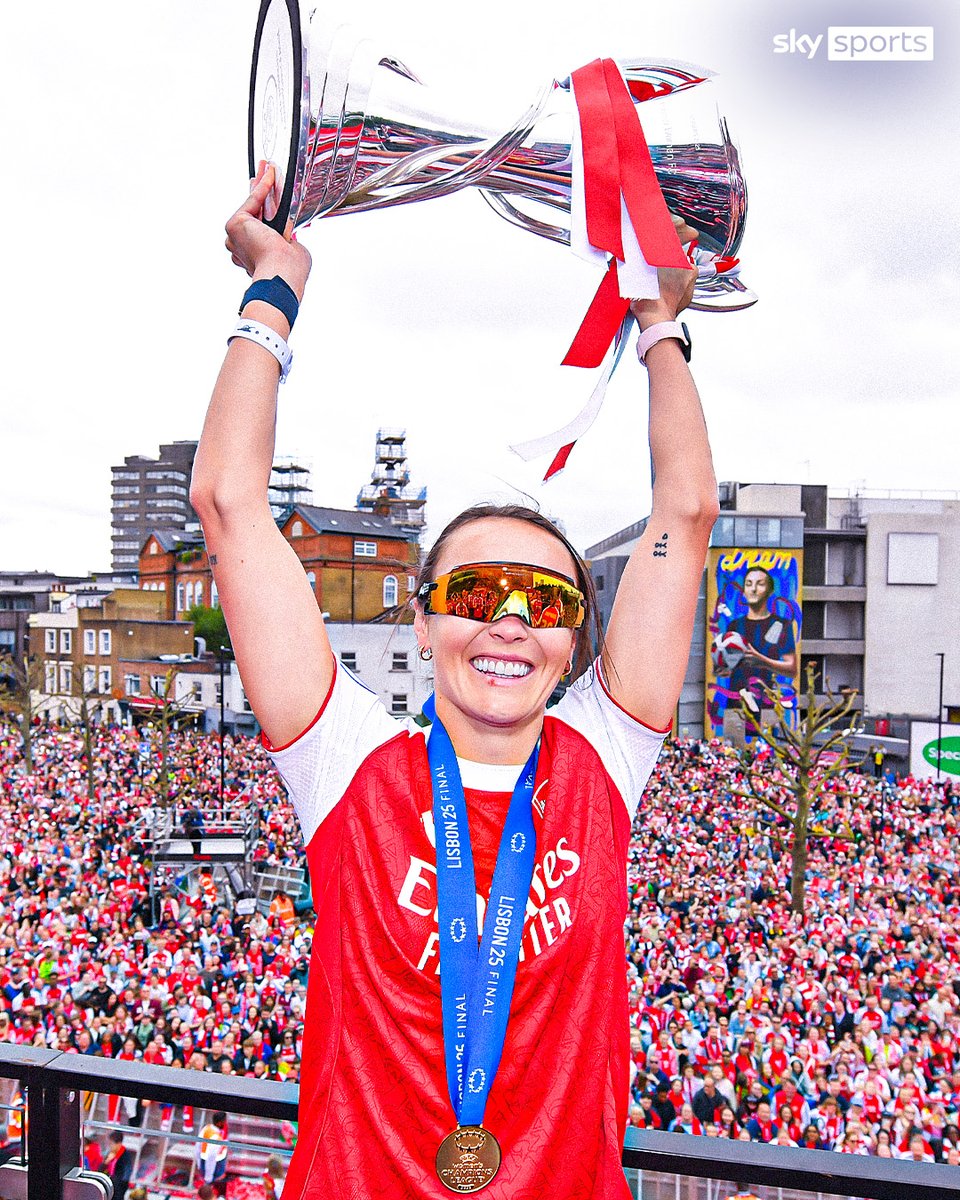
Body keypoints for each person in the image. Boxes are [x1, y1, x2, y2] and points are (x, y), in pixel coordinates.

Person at [190, 161, 717, 1198]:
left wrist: (661, 328)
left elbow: (686, 515)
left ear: (575, 639)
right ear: (425, 618)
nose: (510, 622)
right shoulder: (346, 759)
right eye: (476, 591)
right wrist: (274, 289)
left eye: (547, 601)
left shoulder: (606, 756)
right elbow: (231, 505)